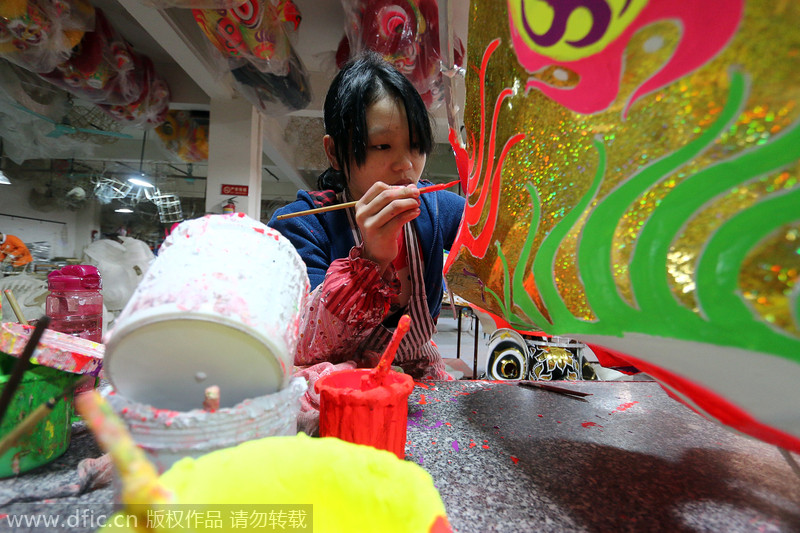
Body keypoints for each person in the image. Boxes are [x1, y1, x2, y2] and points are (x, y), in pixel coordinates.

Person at [269, 51, 465, 384]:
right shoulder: (300, 225)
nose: (406, 164)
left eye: (415, 145)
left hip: (421, 390)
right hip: (338, 396)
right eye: (382, 146)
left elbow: (497, 240)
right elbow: (306, 346)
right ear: (334, 152)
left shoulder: (434, 209)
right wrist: (371, 260)